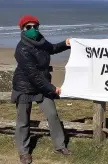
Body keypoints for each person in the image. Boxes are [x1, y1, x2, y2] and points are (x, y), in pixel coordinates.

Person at [11, 15, 72, 164]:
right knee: (23, 121)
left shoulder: (41, 41)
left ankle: (60, 146)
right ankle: (24, 152)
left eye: (35, 26)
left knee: (52, 115)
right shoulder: (22, 49)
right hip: (25, 87)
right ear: (23, 29)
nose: (33, 29)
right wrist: (52, 88)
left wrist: (66, 43)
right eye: (29, 27)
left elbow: (52, 48)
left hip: (42, 87)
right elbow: (33, 75)